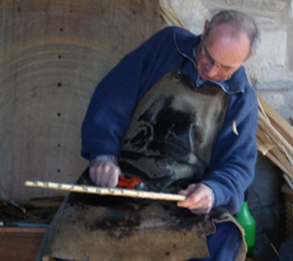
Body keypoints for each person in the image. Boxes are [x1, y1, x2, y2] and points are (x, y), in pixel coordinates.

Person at [37, 10, 260, 261]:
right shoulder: (166, 45)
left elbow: (237, 166)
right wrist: (103, 155)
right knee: (66, 240)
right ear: (205, 29)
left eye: (225, 68)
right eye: (206, 54)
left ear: (246, 59)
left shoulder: (242, 100)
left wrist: (212, 191)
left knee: (224, 238)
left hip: (182, 201)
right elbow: (113, 99)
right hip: (120, 184)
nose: (209, 70)